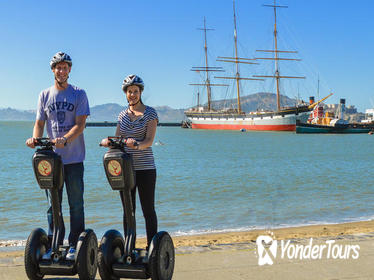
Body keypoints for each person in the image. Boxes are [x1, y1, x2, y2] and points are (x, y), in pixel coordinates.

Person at [25, 52, 90, 260]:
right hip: (51, 161)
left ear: (69, 70)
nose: (61, 71)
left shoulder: (79, 94)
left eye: (65, 67)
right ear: (52, 70)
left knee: (76, 204)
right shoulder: (44, 95)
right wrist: (35, 140)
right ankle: (54, 243)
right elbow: (39, 123)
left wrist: (65, 139)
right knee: (53, 205)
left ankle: (74, 245)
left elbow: (80, 125)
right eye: (57, 67)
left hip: (73, 159)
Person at [100, 74, 158, 247]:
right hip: (125, 168)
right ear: (125, 94)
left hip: (145, 168)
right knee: (128, 210)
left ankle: (152, 247)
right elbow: (118, 139)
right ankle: (129, 246)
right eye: (129, 92)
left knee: (148, 210)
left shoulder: (150, 113)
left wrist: (137, 145)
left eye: (135, 91)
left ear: (140, 92)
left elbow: (149, 141)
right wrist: (108, 142)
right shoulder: (122, 115)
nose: (132, 94)